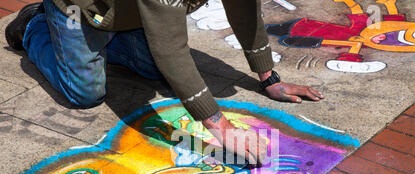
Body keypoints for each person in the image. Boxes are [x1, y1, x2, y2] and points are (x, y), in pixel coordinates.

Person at [5, 0, 324, 164]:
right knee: (85, 92)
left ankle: (107, 41)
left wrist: (268, 76)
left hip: (128, 12)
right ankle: (36, 24)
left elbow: (243, 9)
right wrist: (223, 131)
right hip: (81, 8)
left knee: (161, 71)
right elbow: (172, 51)